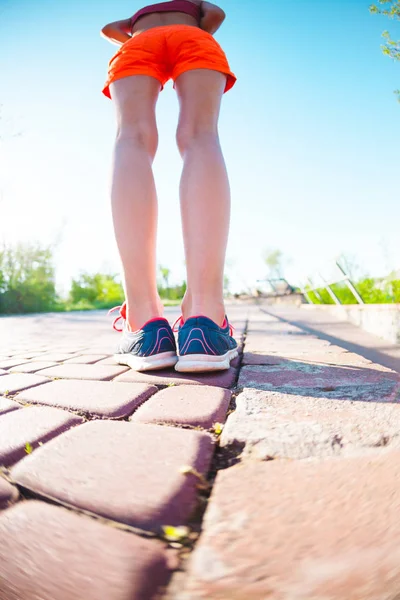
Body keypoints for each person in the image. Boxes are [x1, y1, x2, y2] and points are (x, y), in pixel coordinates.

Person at [101, 0, 238, 373]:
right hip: (193, 37)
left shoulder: (137, 19)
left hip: (138, 43)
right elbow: (217, 14)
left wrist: (136, 33)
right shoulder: (192, 6)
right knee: (200, 135)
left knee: (132, 139)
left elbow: (108, 29)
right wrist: (194, 30)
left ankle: (146, 325)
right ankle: (204, 321)